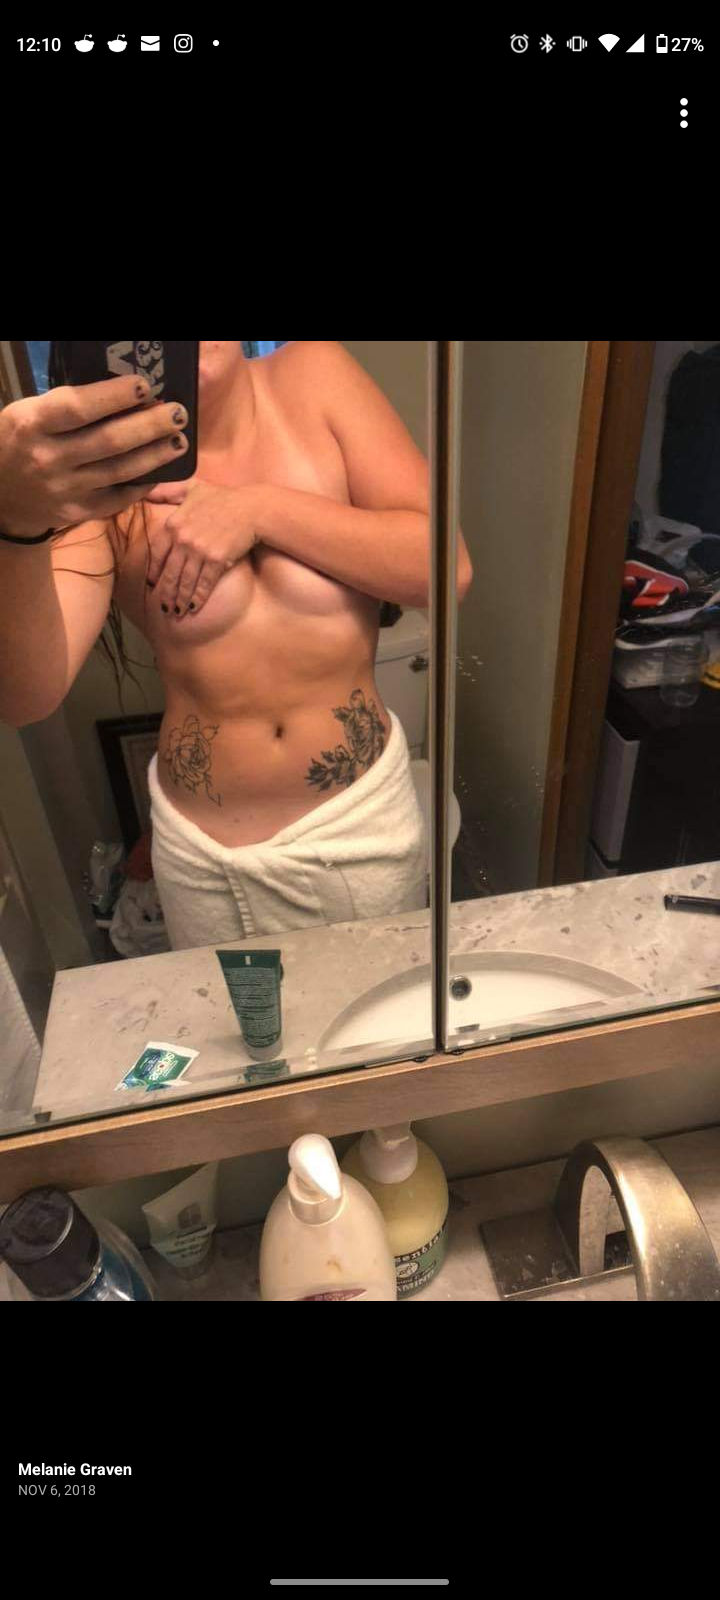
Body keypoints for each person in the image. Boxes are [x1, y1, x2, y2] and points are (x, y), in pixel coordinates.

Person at [0, 341, 473, 948]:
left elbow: (446, 569)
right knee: (234, 1015)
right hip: (206, 860)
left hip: (360, 829)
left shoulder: (315, 374)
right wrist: (16, 521)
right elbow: (26, 697)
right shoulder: (103, 474)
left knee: (380, 1005)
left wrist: (258, 510)